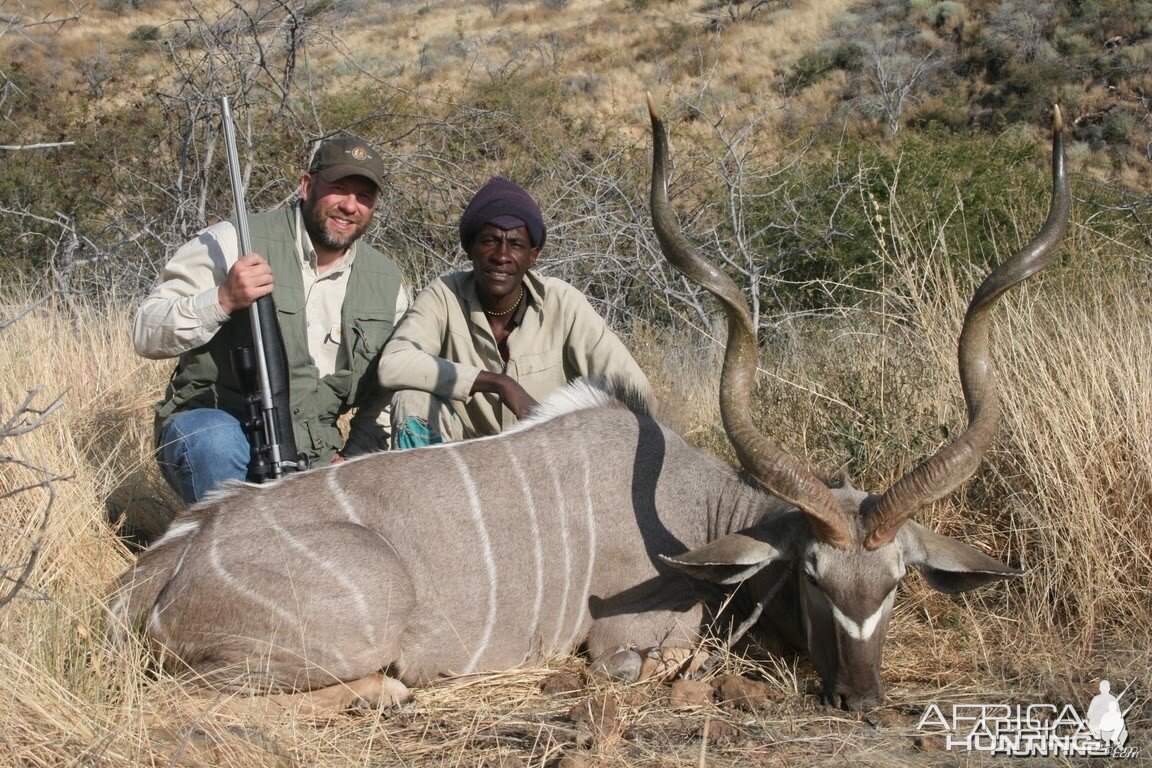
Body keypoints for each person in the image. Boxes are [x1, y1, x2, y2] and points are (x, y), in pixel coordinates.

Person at [134, 133, 408, 503]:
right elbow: (146, 332)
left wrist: (357, 454)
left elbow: (392, 386)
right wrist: (222, 299)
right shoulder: (232, 240)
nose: (349, 206)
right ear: (307, 186)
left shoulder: (388, 281)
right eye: (338, 189)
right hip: (218, 425)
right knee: (214, 442)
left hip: (314, 454)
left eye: (364, 197)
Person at [378, 176, 650, 448]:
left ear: (533, 255)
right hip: (462, 461)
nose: (502, 255)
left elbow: (635, 390)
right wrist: (498, 383)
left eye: (516, 244)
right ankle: (428, 491)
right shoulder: (443, 295)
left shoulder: (563, 302)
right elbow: (393, 364)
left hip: (544, 455)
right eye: (490, 241)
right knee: (412, 399)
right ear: (470, 248)